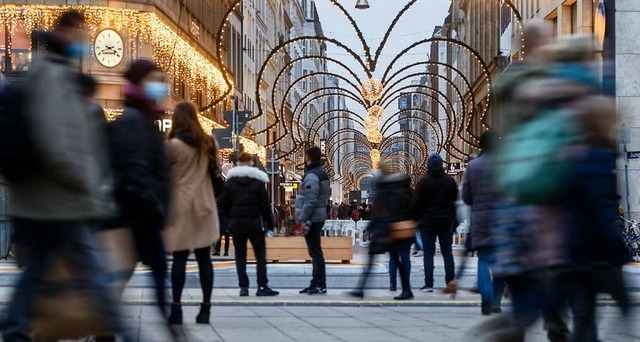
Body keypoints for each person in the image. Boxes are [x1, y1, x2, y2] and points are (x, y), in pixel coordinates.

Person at [1, 10, 127, 340]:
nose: (82, 41)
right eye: (79, 33)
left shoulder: (47, 74)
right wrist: (88, 185)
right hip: (62, 201)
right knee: (94, 272)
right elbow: (58, 144)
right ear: (66, 34)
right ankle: (119, 330)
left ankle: (14, 330)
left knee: (37, 274)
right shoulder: (55, 78)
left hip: (41, 201)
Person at [110, 59, 171, 320]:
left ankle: (108, 328)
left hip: (141, 213)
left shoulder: (145, 117)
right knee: (152, 271)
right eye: (154, 79)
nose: (160, 85)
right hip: (138, 214)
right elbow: (134, 170)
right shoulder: (133, 120)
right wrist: (155, 206)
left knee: (139, 272)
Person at [162, 102, 220, 325]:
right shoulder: (208, 143)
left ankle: (176, 309)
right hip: (204, 203)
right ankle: (205, 309)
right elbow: (215, 171)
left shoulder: (172, 145)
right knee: (205, 258)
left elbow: (163, 174)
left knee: (179, 258)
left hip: (181, 204)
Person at [350, 162, 414, 300]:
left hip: (388, 231)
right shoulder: (389, 188)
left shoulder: (387, 190)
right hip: (387, 230)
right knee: (392, 260)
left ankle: (361, 289)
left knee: (390, 260)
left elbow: (384, 212)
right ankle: (361, 289)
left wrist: (375, 229)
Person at [220, 152, 279, 297]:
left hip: (237, 225)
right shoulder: (258, 182)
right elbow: (265, 206)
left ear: (238, 163)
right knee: (260, 256)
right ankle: (262, 286)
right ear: (252, 163)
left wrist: (229, 219)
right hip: (254, 225)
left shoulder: (230, 183)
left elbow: (222, 204)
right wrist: (270, 225)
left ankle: (243, 287)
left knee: (240, 257)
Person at [462, 131, 505, 315]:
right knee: (501, 263)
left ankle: (485, 299)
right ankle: (496, 300)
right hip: (503, 219)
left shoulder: (473, 166)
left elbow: (466, 196)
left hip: (480, 220)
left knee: (484, 260)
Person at [412, 153, 458, 292]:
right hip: (446, 221)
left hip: (428, 221)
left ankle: (429, 283)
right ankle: (450, 282)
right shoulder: (450, 180)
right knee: (447, 252)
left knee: (428, 253)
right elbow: (454, 200)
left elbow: (416, 203)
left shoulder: (424, 182)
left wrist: (418, 218)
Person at [296, 146, 330, 295]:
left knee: (315, 252)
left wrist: (302, 218)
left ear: (308, 157)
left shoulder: (312, 175)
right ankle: (316, 282)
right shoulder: (321, 173)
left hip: (312, 218)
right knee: (315, 251)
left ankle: (319, 284)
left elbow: (310, 199)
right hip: (318, 216)